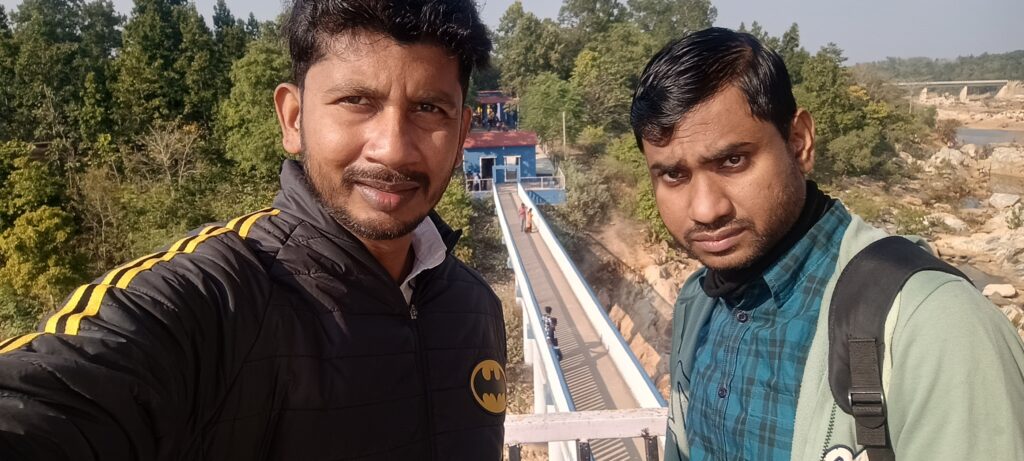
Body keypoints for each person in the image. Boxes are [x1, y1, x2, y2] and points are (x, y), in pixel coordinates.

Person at [0, 1, 508, 459]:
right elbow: (48, 398)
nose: (393, 148)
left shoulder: (474, 307)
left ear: (462, 132)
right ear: (292, 118)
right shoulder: (216, 299)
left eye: (428, 109)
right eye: (357, 101)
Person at [629, 28, 1024, 461]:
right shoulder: (698, 303)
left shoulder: (933, 324)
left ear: (799, 142)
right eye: (673, 175)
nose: (705, 209)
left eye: (733, 160)